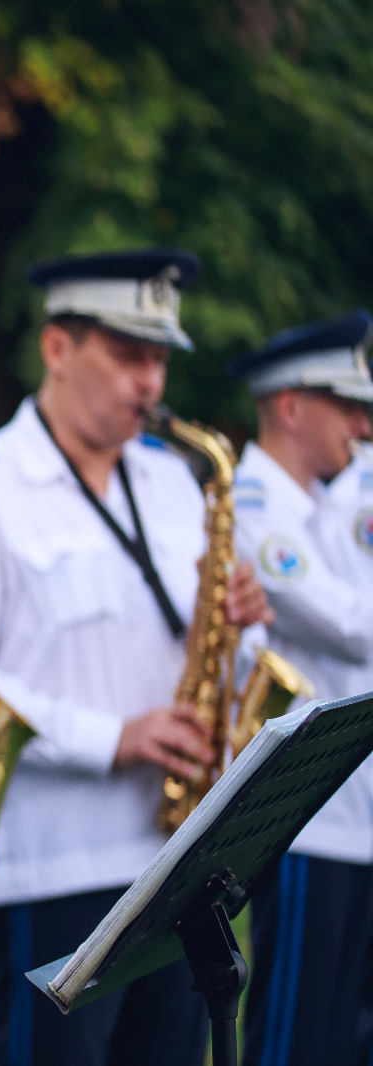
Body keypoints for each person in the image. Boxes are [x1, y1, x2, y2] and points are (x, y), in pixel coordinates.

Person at [0, 248, 274, 1066]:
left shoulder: (177, 483)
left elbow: (195, 647)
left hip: (177, 861)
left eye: (160, 360)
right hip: (53, 866)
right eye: (129, 355)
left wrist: (243, 625)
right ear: (58, 348)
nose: (150, 381)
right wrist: (112, 736)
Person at [223, 310, 373, 1066]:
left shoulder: (326, 505)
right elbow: (352, 627)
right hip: (307, 819)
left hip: (355, 816)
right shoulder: (256, 511)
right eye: (345, 405)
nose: (362, 420)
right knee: (293, 1040)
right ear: (290, 406)